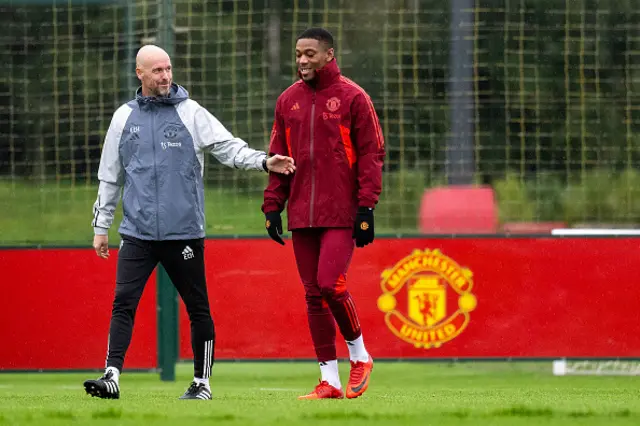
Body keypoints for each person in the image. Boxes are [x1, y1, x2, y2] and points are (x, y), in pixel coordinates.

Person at [84, 44, 295, 401]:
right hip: (136, 232)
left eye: (168, 69)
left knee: (198, 308)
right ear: (140, 74)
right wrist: (101, 226)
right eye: (157, 71)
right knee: (123, 302)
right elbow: (110, 175)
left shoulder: (191, 112)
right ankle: (112, 376)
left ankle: (202, 383)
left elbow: (228, 147)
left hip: (183, 233)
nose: (165, 76)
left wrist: (263, 161)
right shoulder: (123, 117)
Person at [262, 28, 385, 400]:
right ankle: (329, 381)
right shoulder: (287, 101)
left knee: (331, 284)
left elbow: (371, 155)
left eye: (310, 54)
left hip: (341, 212)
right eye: (298, 54)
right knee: (313, 295)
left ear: (329, 55)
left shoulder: (353, 97)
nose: (302, 60)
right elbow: (278, 157)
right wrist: (272, 205)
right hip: (302, 213)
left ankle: (360, 357)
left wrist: (366, 207)